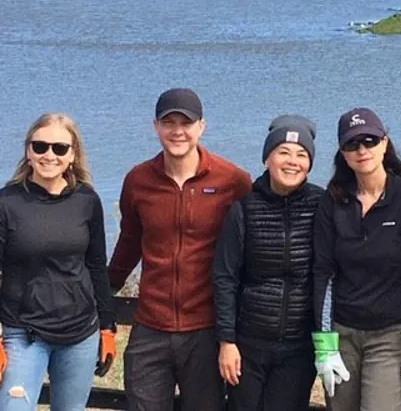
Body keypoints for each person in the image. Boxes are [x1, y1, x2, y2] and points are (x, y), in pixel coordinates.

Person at [108, 88, 251, 411]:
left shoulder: (233, 180)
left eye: (186, 123)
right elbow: (129, 244)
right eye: (168, 122)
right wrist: (104, 294)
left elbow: (250, 249)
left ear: (202, 126)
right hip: (150, 326)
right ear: (155, 126)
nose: (177, 131)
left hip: (205, 328)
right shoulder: (138, 180)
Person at [313, 107, 401, 411]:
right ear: (343, 153)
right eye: (352, 144)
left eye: (370, 141)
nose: (362, 150)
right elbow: (323, 274)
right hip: (342, 335)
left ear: (385, 143)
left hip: (391, 335)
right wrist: (324, 342)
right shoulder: (332, 202)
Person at [0, 113, 116, 410]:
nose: (49, 155)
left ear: (73, 154)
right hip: (23, 335)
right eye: (40, 146)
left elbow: (96, 267)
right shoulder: (7, 202)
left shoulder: (87, 201)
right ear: (28, 151)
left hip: (80, 335)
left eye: (59, 148)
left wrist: (108, 328)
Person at [214, 115, 323, 410]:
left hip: (299, 347)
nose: (292, 162)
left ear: (310, 164)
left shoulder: (321, 206)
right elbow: (225, 277)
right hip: (249, 344)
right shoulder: (244, 209)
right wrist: (227, 341)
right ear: (267, 159)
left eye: (302, 155)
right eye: (283, 152)